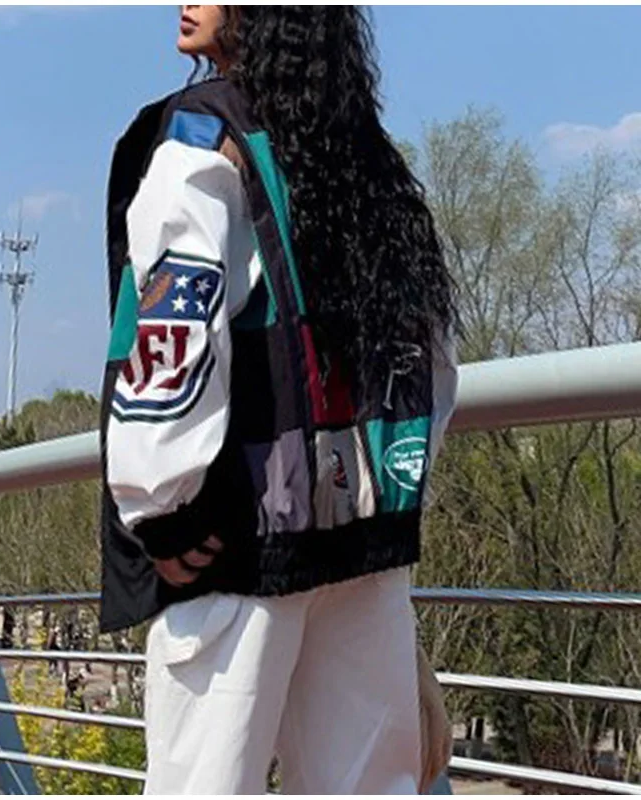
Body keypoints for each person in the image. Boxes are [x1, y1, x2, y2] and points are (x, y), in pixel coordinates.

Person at [99, 6, 459, 794]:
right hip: (364, 539)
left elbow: (172, 327)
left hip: (236, 541)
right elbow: (429, 357)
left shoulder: (203, 137)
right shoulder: (366, 154)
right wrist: (391, 486)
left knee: (203, 784)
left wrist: (162, 505)